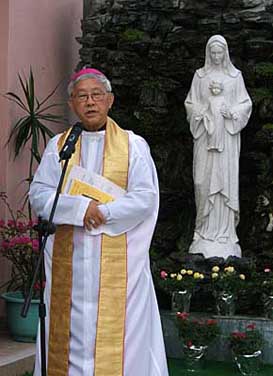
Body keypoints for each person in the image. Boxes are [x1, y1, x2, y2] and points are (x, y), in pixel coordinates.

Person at [29, 67, 169, 376]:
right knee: (68, 334)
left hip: (121, 265)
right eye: (82, 96)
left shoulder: (133, 146)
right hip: (72, 262)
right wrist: (80, 208)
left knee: (122, 339)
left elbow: (146, 197)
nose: (90, 102)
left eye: (96, 95)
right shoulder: (59, 147)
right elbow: (39, 195)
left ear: (110, 101)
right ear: (72, 104)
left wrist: (102, 213)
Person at [184, 35, 252, 259]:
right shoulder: (200, 77)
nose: (215, 56)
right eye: (212, 52)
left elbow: (245, 104)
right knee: (202, 182)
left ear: (225, 53)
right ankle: (203, 231)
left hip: (228, 142)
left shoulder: (235, 77)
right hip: (204, 139)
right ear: (207, 53)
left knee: (225, 183)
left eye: (219, 52)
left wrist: (231, 113)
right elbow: (190, 104)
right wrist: (202, 113)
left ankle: (226, 233)